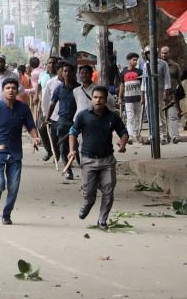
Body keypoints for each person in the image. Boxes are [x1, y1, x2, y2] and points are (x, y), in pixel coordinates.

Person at [0, 78, 41, 225]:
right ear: (2, 90)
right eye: (7, 88)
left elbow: (31, 125)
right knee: (0, 184)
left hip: (15, 153)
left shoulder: (23, 108)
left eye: (13, 88)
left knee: (13, 188)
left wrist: (35, 137)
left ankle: (6, 214)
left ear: (17, 90)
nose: (10, 90)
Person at [69, 86, 129, 231]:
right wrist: (71, 150)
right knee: (88, 191)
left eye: (101, 98)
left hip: (107, 160)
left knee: (108, 191)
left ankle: (102, 221)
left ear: (106, 99)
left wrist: (122, 143)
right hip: (88, 159)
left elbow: (124, 132)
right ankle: (89, 201)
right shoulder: (83, 116)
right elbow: (73, 132)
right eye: (95, 97)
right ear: (91, 99)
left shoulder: (113, 117)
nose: (98, 100)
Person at [48, 61, 78, 180]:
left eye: (69, 71)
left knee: (78, 146)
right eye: (65, 71)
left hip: (77, 121)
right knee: (63, 147)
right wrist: (46, 119)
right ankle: (68, 169)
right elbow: (52, 105)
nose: (67, 73)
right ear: (61, 72)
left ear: (73, 73)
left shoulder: (79, 88)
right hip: (63, 121)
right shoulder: (58, 89)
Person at [141, 49, 172, 144]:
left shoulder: (163, 64)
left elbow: (167, 80)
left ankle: (164, 137)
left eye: (151, 53)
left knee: (161, 115)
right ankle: (152, 136)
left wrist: (166, 94)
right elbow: (144, 82)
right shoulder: (145, 64)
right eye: (148, 54)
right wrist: (142, 96)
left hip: (160, 92)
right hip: (148, 93)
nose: (150, 55)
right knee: (150, 116)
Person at [118, 52, 145, 144]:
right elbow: (122, 85)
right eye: (133, 59)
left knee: (138, 117)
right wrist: (120, 98)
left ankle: (136, 134)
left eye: (136, 59)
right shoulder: (123, 72)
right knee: (130, 117)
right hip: (128, 98)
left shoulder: (139, 72)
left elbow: (142, 86)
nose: (135, 61)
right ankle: (130, 135)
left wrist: (142, 97)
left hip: (138, 98)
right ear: (129, 61)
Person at [160, 46, 182, 143]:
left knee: (173, 115)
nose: (164, 55)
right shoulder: (157, 65)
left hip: (172, 95)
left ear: (169, 53)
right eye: (162, 53)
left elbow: (178, 80)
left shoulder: (175, 66)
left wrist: (181, 92)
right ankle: (165, 136)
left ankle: (175, 136)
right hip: (160, 95)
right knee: (162, 117)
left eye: (166, 53)